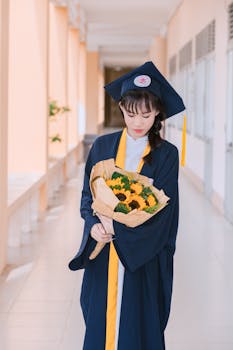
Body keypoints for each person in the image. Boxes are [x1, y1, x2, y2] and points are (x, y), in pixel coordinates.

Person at [68, 61, 186, 350]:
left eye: (146, 114)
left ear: (158, 112)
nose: (138, 121)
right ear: (121, 108)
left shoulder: (167, 155)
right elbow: (88, 196)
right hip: (105, 255)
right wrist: (95, 225)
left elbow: (165, 215)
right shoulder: (102, 147)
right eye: (131, 113)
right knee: (101, 324)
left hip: (142, 259)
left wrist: (118, 228)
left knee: (138, 327)